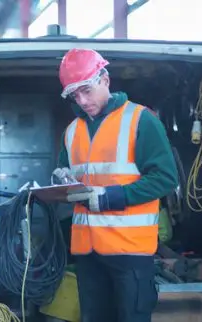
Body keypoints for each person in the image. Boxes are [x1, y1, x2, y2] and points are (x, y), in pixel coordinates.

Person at [52, 48, 178, 322]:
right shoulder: (72, 131)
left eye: (86, 90)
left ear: (105, 79)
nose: (82, 101)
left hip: (129, 251)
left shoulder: (140, 120)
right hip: (88, 252)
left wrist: (111, 197)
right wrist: (60, 182)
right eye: (75, 95)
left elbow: (166, 178)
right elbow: (71, 177)